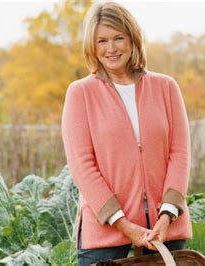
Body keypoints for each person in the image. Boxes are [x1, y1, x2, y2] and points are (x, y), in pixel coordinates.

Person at [61, 2, 192, 265]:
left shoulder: (166, 87)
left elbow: (180, 153)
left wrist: (167, 214)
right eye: (102, 41)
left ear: (133, 39)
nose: (111, 48)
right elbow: (82, 165)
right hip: (106, 231)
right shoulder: (80, 93)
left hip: (164, 227)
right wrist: (122, 223)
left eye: (119, 38)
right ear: (92, 46)